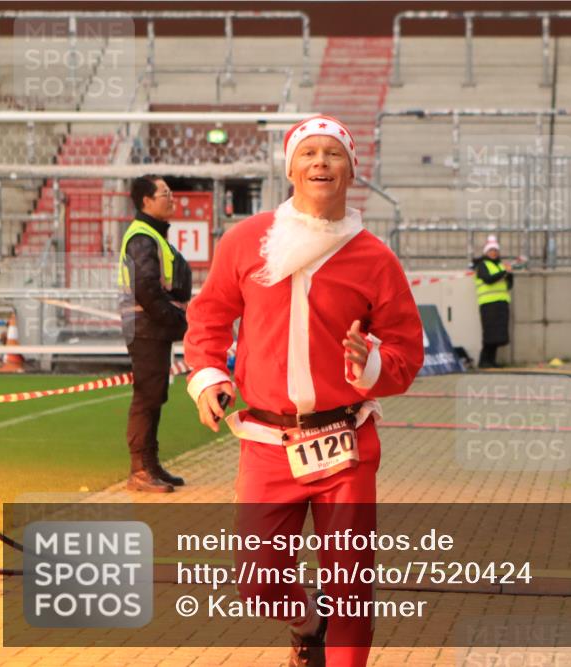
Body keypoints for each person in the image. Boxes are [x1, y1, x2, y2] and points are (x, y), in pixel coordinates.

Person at [183, 114, 423, 667]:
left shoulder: (376, 258)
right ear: (290, 167)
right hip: (266, 443)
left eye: (333, 154)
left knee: (351, 589)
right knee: (258, 582)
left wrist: (372, 365)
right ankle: (309, 624)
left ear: (350, 169)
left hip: (346, 444)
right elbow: (209, 318)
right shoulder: (246, 240)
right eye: (309, 153)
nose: (321, 162)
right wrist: (210, 378)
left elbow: (407, 352)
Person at [118, 175, 192, 493]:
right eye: (165, 193)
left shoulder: (151, 235)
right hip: (146, 326)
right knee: (147, 397)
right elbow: (146, 289)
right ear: (146, 201)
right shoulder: (141, 237)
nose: (171, 198)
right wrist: (176, 319)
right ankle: (140, 469)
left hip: (152, 326)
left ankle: (151, 464)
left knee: (154, 394)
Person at [472, 235, 513, 368]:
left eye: (495, 250)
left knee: (498, 334)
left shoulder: (501, 265)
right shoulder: (482, 265)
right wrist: (503, 272)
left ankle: (492, 361)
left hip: (501, 303)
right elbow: (488, 279)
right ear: (486, 252)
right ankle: (484, 361)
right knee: (489, 333)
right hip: (488, 304)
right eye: (491, 250)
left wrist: (509, 274)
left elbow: (509, 284)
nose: (494, 253)